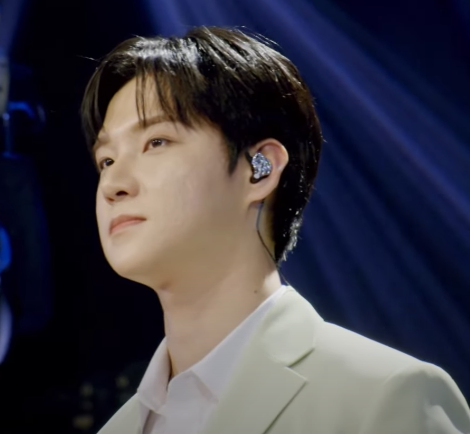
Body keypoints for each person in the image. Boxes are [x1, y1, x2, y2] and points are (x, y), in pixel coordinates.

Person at [80, 26, 470, 434]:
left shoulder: (381, 397)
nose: (113, 184)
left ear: (258, 169)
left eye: (156, 142)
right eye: (106, 160)